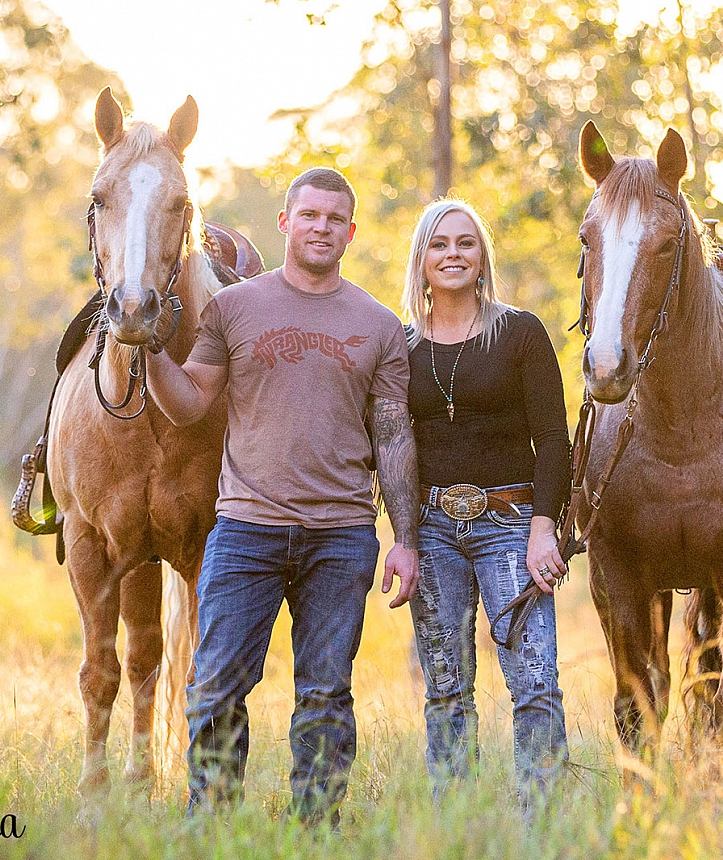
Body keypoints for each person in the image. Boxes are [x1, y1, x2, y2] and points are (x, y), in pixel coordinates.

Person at [144, 167, 420, 826]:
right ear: (286, 222)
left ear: (349, 233)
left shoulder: (378, 325)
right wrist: (148, 349)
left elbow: (394, 440)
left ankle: (316, 829)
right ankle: (209, 826)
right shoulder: (233, 309)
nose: (321, 227)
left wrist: (405, 540)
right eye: (310, 215)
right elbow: (187, 404)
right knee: (213, 687)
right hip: (245, 531)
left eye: (334, 219)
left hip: (341, 537)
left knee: (325, 693)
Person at [400, 198, 569, 806]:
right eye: (439, 244)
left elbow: (553, 437)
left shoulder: (520, 332)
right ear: (422, 260)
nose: (452, 254)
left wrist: (544, 528)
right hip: (432, 526)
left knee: (535, 682)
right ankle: (456, 823)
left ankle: (541, 824)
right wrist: (403, 537)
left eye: (464, 244)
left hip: (510, 522)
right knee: (446, 687)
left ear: (481, 257)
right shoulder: (402, 347)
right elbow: (393, 444)